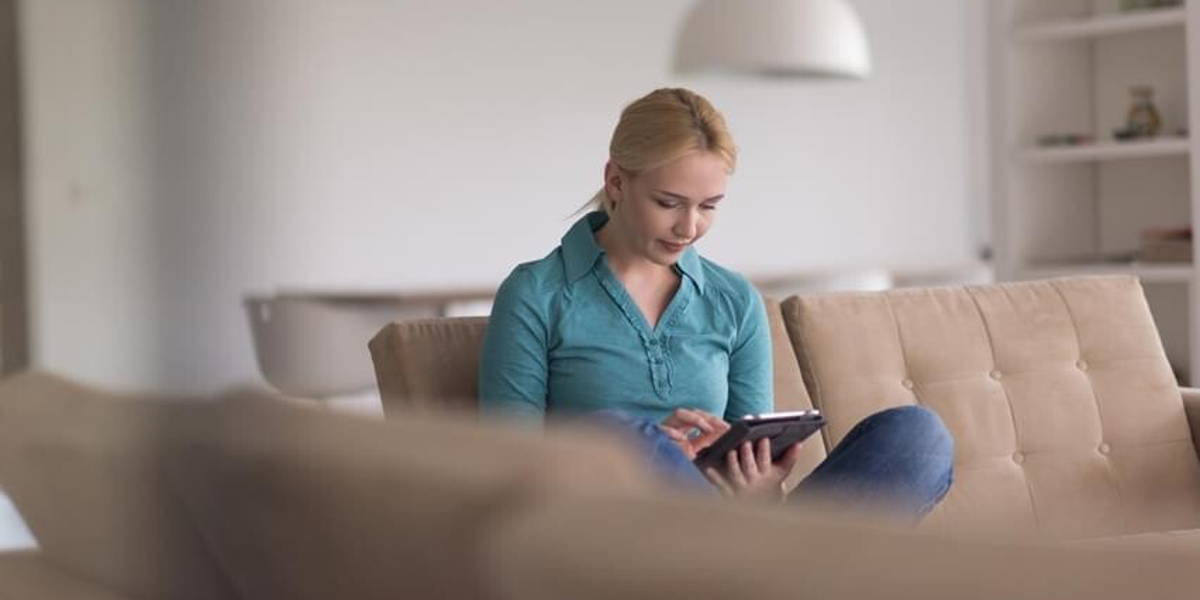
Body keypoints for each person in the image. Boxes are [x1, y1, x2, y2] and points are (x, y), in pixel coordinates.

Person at [478, 87, 953, 518]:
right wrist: (652, 453)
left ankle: (760, 566)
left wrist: (758, 487)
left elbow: (754, 455)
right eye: (668, 203)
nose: (689, 228)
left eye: (709, 206)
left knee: (919, 436)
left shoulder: (733, 299)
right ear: (617, 182)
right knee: (620, 437)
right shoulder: (536, 293)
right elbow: (509, 461)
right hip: (607, 525)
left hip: (736, 525)